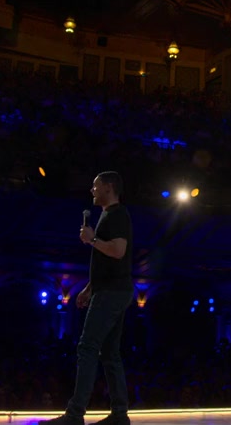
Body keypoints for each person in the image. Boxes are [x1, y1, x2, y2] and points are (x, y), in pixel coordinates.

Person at [41, 171, 135, 425]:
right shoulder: (109, 214)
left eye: (95, 186)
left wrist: (92, 239)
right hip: (113, 289)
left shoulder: (117, 214)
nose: (92, 190)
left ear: (109, 187)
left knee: (87, 347)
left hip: (112, 292)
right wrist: (90, 288)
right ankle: (119, 415)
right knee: (110, 353)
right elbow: (108, 262)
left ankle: (75, 415)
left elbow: (118, 251)